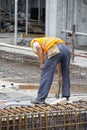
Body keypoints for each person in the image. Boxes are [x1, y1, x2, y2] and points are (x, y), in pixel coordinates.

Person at [30, 37, 71, 104]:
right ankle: (66, 96)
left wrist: (41, 63)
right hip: (66, 49)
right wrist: (59, 77)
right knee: (65, 72)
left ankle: (40, 98)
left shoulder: (34, 42)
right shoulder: (48, 41)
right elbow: (59, 63)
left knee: (47, 74)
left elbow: (38, 47)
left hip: (55, 49)